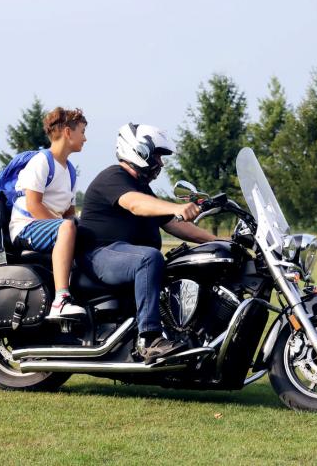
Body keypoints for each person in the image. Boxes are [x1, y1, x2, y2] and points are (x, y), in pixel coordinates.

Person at [77, 122, 218, 364]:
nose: (160, 163)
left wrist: (219, 241)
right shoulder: (113, 177)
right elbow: (135, 204)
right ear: (139, 151)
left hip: (120, 256)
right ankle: (149, 339)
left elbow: (173, 224)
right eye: (157, 156)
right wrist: (176, 207)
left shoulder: (142, 187)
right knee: (148, 258)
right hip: (99, 255)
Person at [9, 107, 87, 320]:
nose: (85, 138)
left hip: (53, 229)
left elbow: (69, 213)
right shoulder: (42, 161)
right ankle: (60, 301)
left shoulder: (70, 171)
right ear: (68, 132)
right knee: (68, 227)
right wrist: (67, 229)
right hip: (25, 228)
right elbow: (34, 206)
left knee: (78, 229)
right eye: (82, 132)